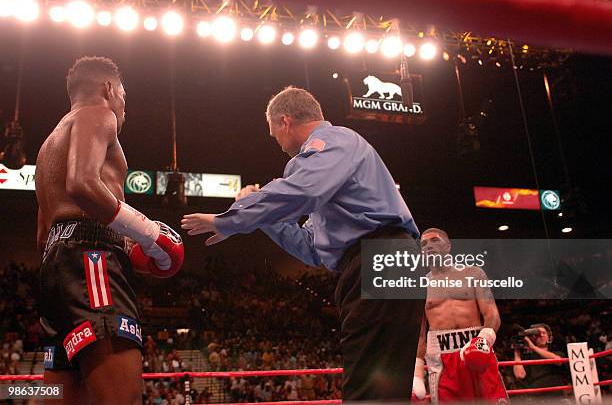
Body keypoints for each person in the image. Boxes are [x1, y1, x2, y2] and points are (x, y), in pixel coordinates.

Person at [182, 86, 423, 401]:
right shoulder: (329, 174)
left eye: (274, 135)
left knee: (369, 385)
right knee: (383, 385)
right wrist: (257, 215)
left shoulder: (335, 141)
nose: (280, 146)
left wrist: (232, 218)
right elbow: (312, 248)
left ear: (285, 121)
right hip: (382, 260)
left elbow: (301, 190)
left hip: (381, 258)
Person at [35, 56, 183, 404]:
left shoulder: (48, 146)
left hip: (57, 270)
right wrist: (146, 231)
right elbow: (82, 183)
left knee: (67, 395)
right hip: (92, 259)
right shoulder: (99, 114)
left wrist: (125, 240)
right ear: (109, 89)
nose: (123, 108)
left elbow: (43, 234)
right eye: (124, 98)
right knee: (121, 399)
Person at [413, 228, 508, 404]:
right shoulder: (419, 286)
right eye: (424, 244)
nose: (429, 246)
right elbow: (420, 334)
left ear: (448, 246)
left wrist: (482, 342)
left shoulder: (473, 273)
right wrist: (418, 373)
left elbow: (492, 314)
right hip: (441, 358)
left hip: (478, 348)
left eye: (435, 240)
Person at [513, 323, 568, 401]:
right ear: (532, 338)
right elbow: (519, 375)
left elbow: (558, 360)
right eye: (537, 334)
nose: (541, 335)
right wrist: (517, 352)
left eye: (544, 333)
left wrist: (533, 347)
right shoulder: (526, 358)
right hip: (536, 399)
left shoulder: (558, 353)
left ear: (549, 337)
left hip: (555, 398)